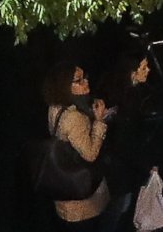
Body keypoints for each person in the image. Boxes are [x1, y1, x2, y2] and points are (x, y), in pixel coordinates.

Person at [38, 64, 111, 229]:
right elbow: (91, 154)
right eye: (78, 80)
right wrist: (99, 121)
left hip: (63, 193)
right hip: (82, 201)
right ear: (64, 87)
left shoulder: (55, 107)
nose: (86, 82)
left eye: (85, 77)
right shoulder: (74, 118)